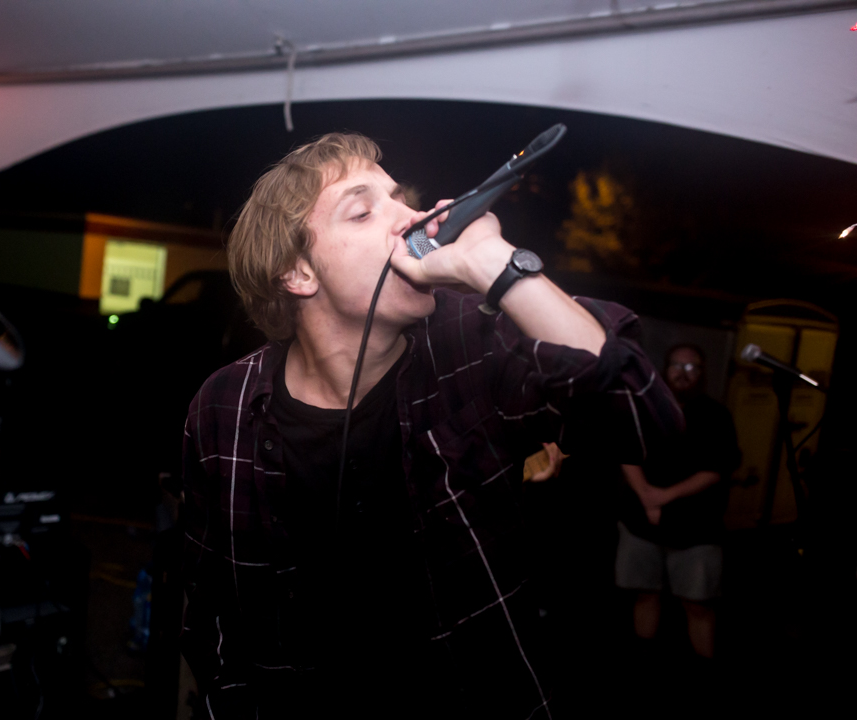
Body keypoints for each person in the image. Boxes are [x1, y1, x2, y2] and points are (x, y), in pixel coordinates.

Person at [179, 133, 682, 719]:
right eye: (363, 211)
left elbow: (646, 421)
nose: (413, 217)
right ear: (297, 272)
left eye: (401, 200)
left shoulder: (474, 344)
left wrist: (495, 265)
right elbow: (212, 613)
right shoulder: (225, 407)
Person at [616, 344, 739, 663]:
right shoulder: (643, 406)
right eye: (676, 365)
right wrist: (646, 497)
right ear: (664, 368)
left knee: (697, 603)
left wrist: (663, 497)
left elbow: (717, 468)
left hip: (695, 530)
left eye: (691, 367)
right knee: (645, 593)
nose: (683, 373)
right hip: (640, 525)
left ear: (702, 373)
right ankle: (643, 659)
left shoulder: (716, 416)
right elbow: (625, 451)